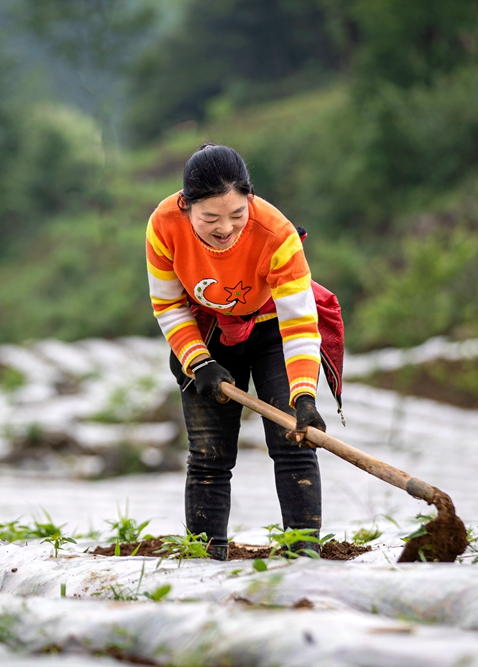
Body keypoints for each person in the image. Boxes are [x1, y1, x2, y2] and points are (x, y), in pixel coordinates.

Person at [145, 142, 331, 560]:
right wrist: (199, 362)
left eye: (236, 215)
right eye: (210, 217)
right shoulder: (163, 227)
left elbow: (300, 321)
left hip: (270, 329)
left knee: (294, 441)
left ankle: (303, 556)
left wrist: (303, 395)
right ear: (185, 206)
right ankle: (205, 558)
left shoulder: (276, 234)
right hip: (207, 329)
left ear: (251, 200)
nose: (225, 228)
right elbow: (169, 304)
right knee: (209, 454)